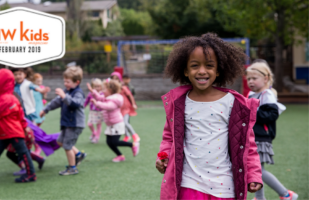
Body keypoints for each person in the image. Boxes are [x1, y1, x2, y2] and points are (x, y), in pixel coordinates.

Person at [155, 33, 263, 200]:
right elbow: (169, 137)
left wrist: (253, 174)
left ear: (218, 70)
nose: (202, 71)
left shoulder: (233, 103)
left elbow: (247, 144)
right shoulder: (178, 103)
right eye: (195, 65)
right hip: (189, 183)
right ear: (185, 70)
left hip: (224, 186)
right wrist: (164, 156)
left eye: (209, 65)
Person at [246, 61, 298, 200]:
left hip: (261, 138)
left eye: (254, 78)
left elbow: (271, 115)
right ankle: (259, 197)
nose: (250, 81)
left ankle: (286, 194)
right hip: (251, 138)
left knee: (258, 171)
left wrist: (252, 111)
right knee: (255, 170)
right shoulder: (251, 94)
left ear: (266, 79)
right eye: (249, 78)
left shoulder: (267, 95)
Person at [40, 66, 86, 175]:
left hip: (75, 124)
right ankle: (79, 155)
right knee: (60, 141)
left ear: (77, 82)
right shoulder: (67, 91)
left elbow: (75, 104)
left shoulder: (78, 93)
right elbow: (56, 101)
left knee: (67, 146)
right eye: (64, 81)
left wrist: (64, 96)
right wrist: (46, 109)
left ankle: (72, 168)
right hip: (67, 123)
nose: (65, 84)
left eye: (68, 82)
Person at [86, 79, 139, 162]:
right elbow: (99, 97)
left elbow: (108, 106)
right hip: (110, 124)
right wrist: (93, 92)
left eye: (104, 89)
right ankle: (120, 155)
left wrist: (97, 104)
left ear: (110, 90)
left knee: (114, 142)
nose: (102, 91)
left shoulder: (115, 100)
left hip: (117, 124)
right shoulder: (107, 97)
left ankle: (133, 144)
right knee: (109, 142)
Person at [110, 72, 140, 143]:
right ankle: (127, 135)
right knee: (121, 123)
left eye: (116, 78)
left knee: (125, 123)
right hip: (118, 109)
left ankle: (135, 135)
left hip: (126, 108)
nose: (115, 80)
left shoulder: (123, 87)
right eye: (113, 79)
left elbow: (130, 96)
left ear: (119, 79)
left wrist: (133, 104)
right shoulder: (112, 89)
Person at [84, 78, 104, 143]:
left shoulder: (102, 94)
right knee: (89, 124)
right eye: (95, 86)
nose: (97, 88)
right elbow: (86, 101)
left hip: (100, 111)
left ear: (101, 87)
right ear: (92, 87)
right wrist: (83, 106)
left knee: (98, 125)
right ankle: (94, 133)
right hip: (92, 111)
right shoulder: (90, 93)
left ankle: (97, 138)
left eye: (99, 86)